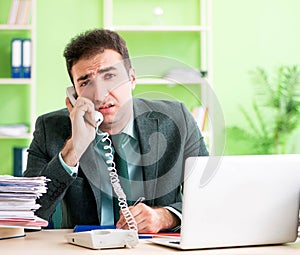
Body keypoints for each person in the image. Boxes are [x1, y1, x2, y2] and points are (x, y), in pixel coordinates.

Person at [24, 29, 208, 233]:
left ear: (132, 78)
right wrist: (72, 150)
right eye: (85, 82)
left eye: (110, 76)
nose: (100, 94)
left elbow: (211, 196)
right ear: (74, 94)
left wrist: (165, 216)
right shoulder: (50, 129)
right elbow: (29, 216)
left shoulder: (177, 119)